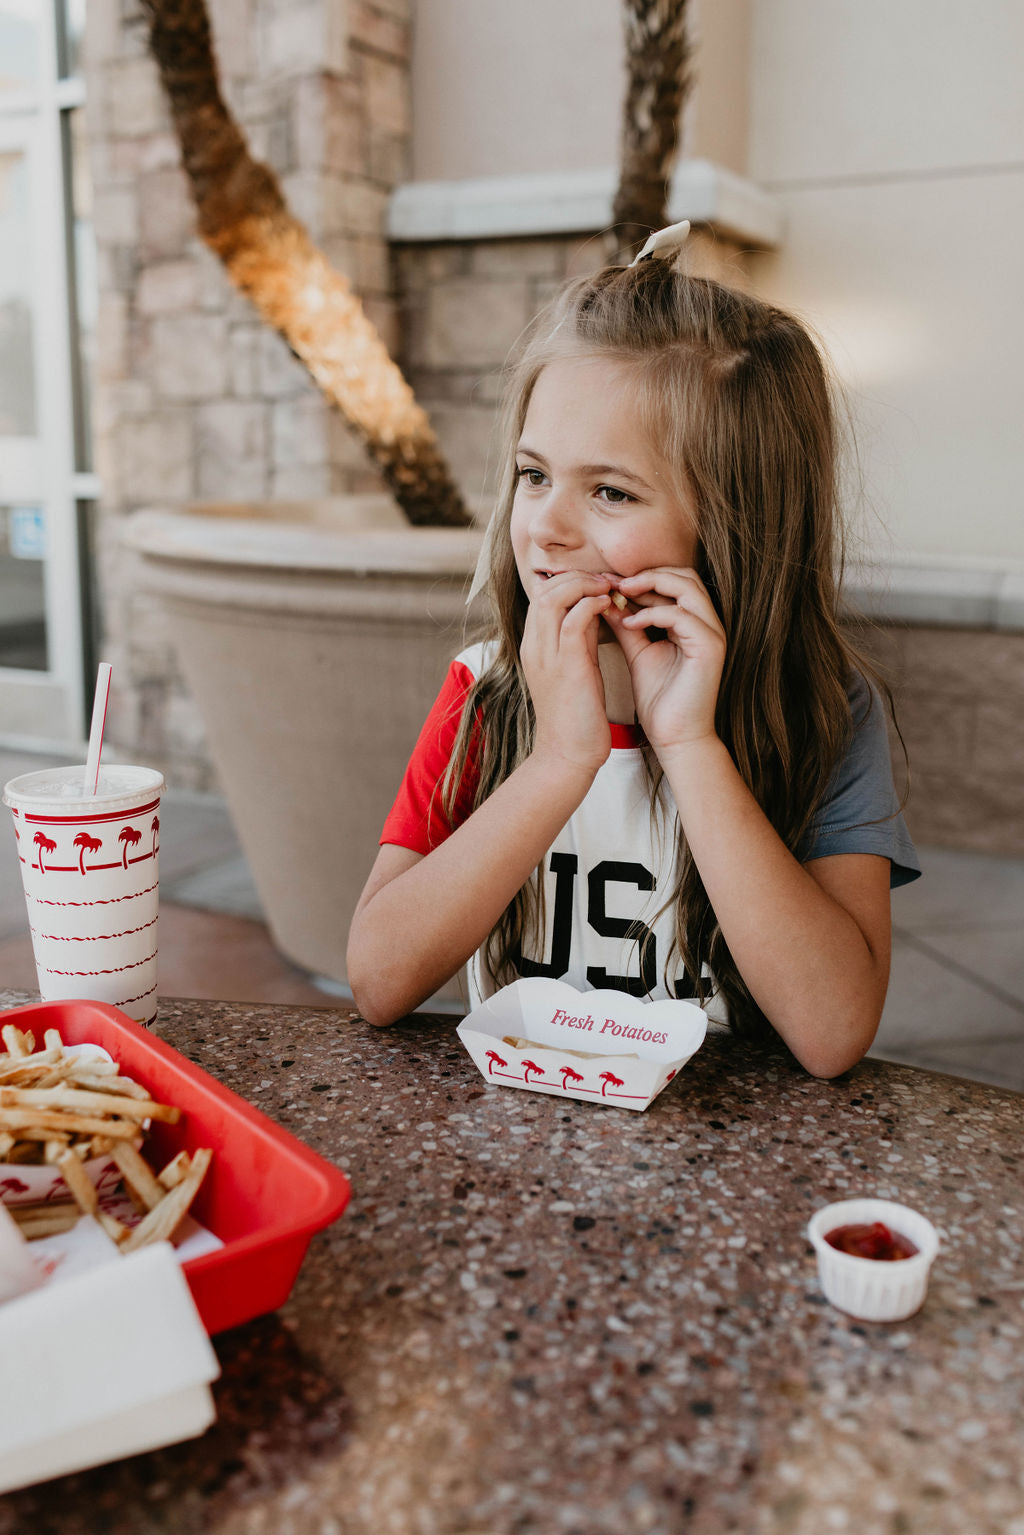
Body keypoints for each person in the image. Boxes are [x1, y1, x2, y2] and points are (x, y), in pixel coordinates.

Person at [346, 221, 920, 1077]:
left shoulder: (825, 712)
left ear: (737, 527)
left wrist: (691, 745)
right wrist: (556, 761)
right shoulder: (483, 692)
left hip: (727, 1153)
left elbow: (833, 1031)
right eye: (534, 474)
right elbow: (378, 979)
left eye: (610, 490)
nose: (544, 526)